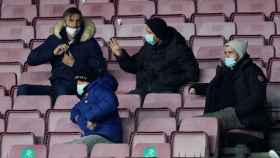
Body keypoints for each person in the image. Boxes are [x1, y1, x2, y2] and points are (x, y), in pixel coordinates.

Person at [189, 40, 278, 158]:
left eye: (230, 52)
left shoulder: (251, 70)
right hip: (229, 112)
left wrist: (236, 111)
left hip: (243, 116)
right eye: (225, 53)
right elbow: (217, 89)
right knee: (194, 124)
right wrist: (197, 88)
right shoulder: (226, 71)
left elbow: (257, 97)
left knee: (199, 123)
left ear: (239, 54)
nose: (226, 55)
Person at [17, 7, 106, 103]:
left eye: (78, 21)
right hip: (58, 85)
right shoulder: (55, 39)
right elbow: (31, 59)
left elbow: (100, 69)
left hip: (81, 86)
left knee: (63, 91)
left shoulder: (90, 42)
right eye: (71, 20)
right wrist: (53, 53)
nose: (75, 24)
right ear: (64, 22)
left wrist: (74, 64)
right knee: (23, 90)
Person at [108, 17, 199, 99]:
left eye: (149, 32)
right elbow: (134, 66)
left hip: (164, 93)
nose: (146, 35)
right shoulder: (148, 46)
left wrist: (167, 79)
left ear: (158, 34)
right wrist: (120, 55)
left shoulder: (179, 49)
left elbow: (192, 74)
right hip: (142, 90)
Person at [68, 72, 122, 155]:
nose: (78, 84)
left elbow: (111, 102)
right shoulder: (85, 97)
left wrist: (90, 117)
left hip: (107, 137)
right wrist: (82, 119)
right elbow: (74, 112)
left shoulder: (100, 88)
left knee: (76, 148)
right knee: (62, 148)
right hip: (93, 136)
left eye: (80, 81)